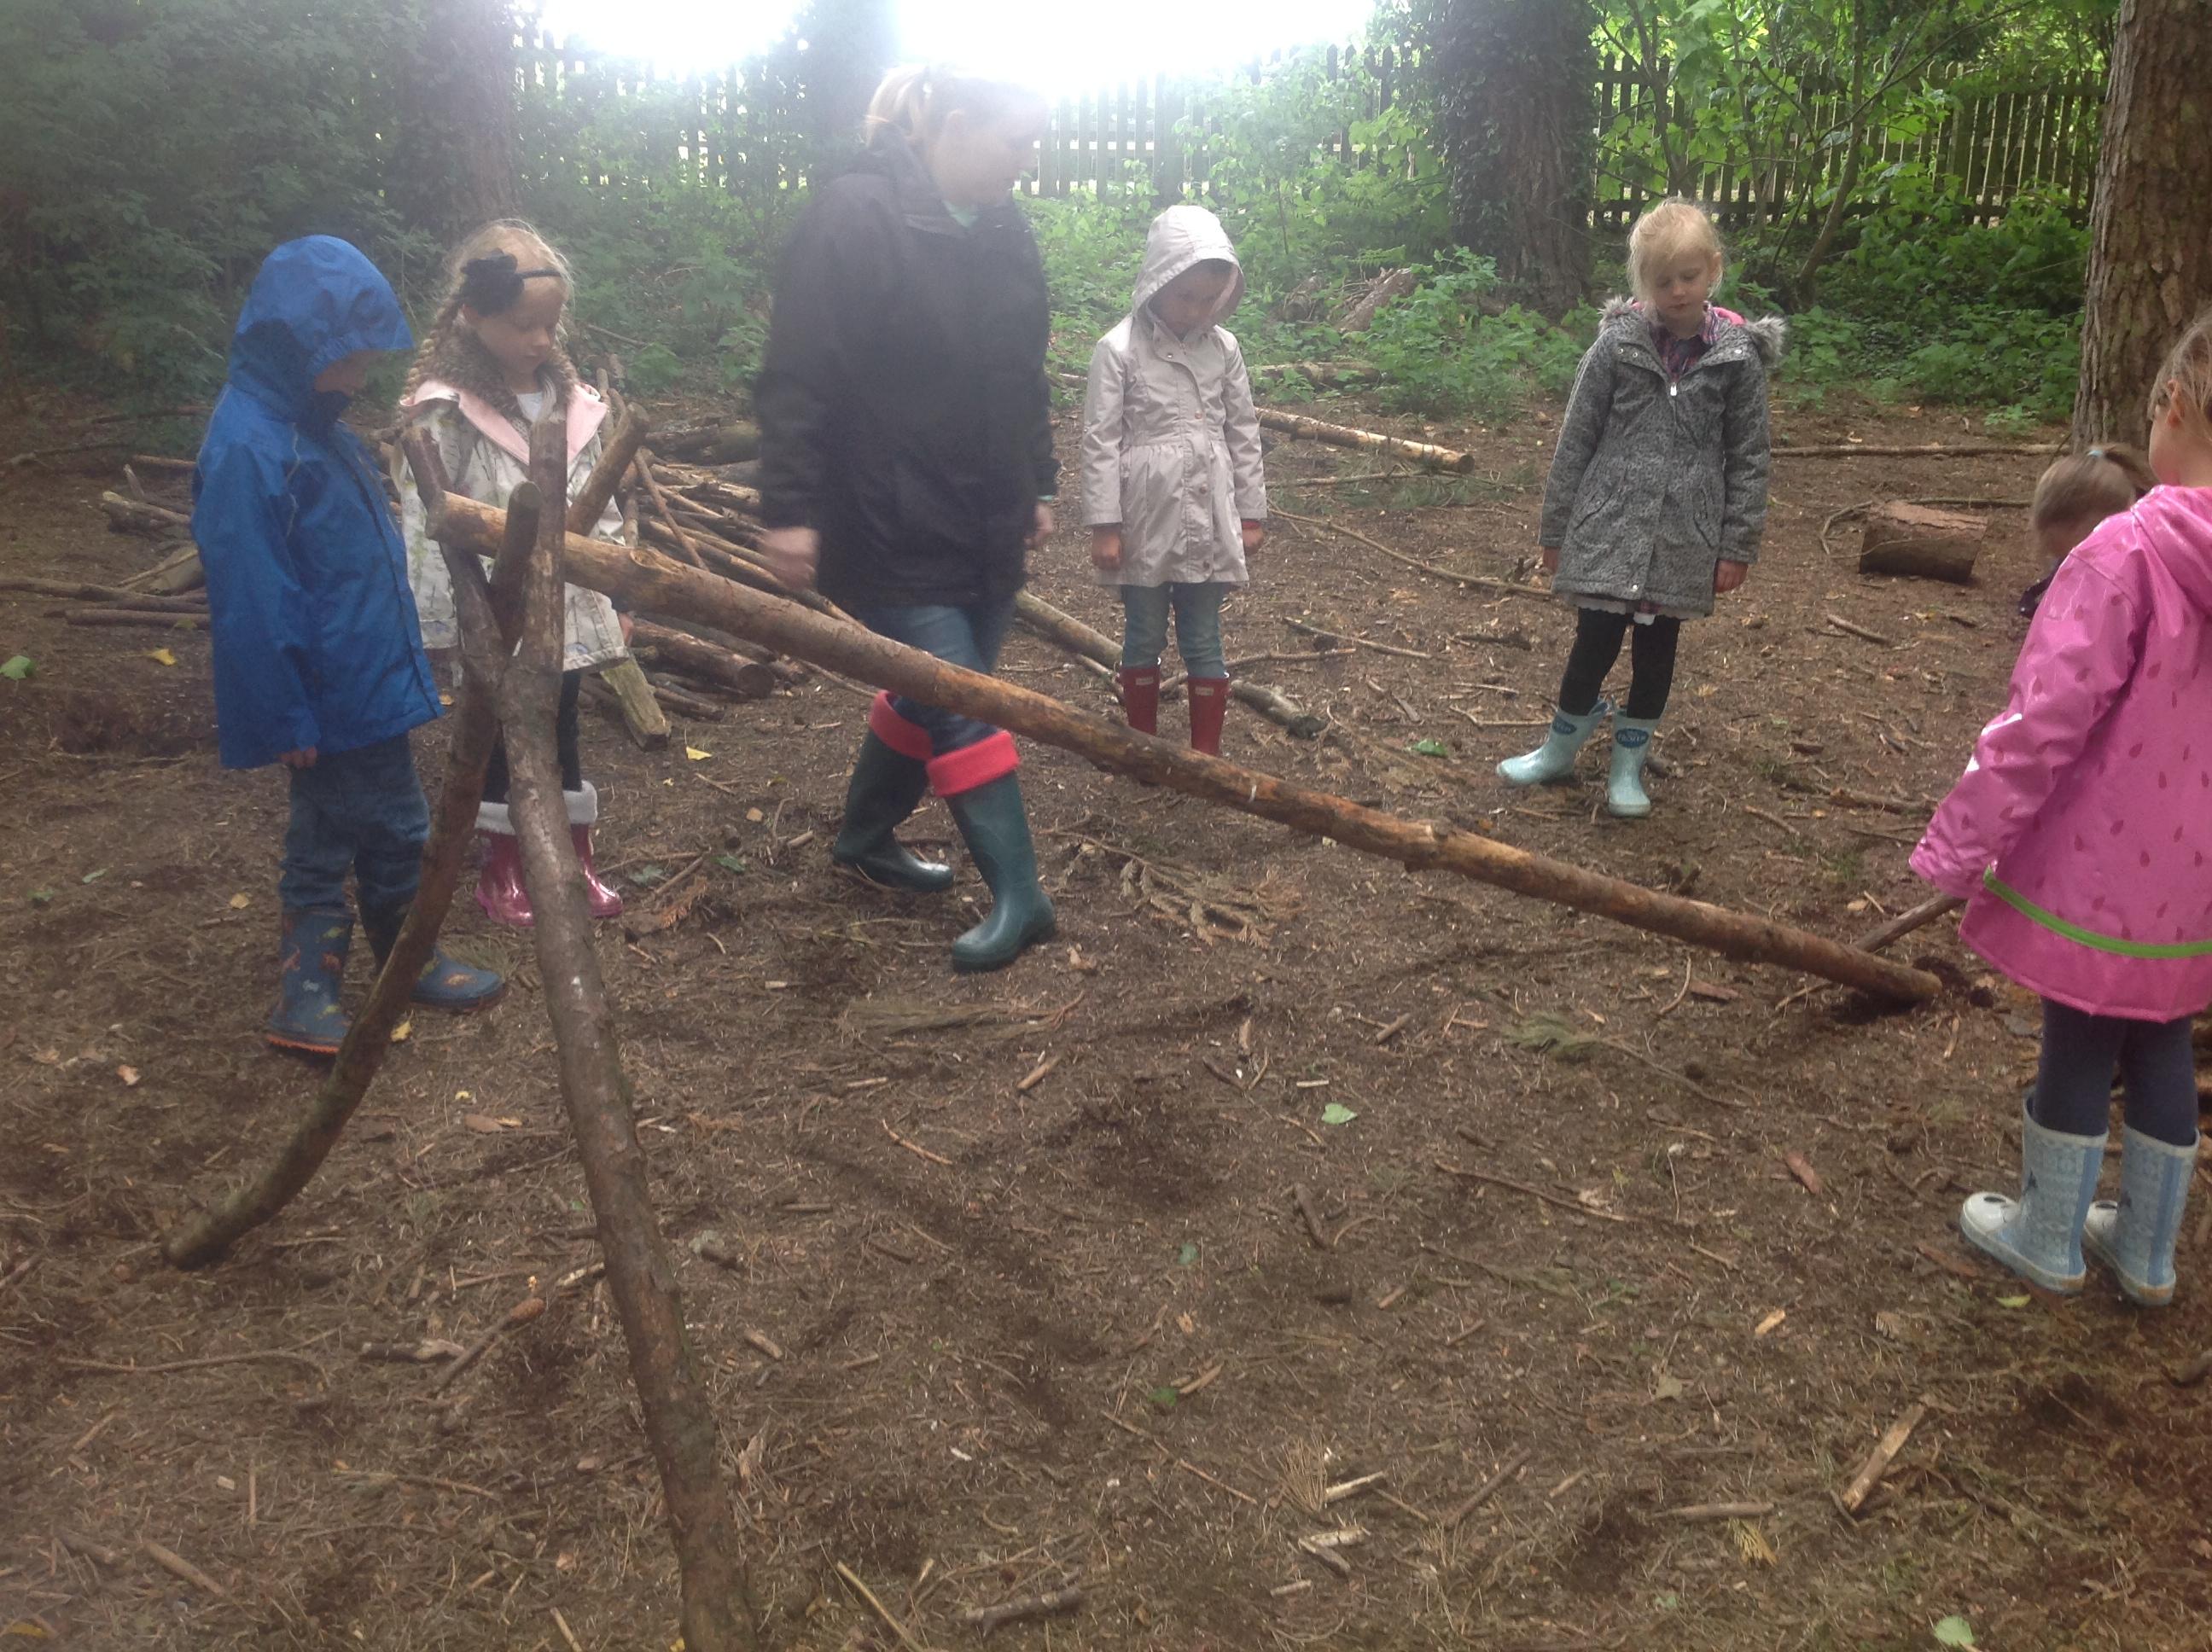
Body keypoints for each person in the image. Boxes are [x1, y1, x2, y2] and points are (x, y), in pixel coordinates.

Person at [1912, 309, 2212, 1306]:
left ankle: (2047, 1236)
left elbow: (2042, 721)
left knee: (2081, 1032)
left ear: (2174, 405)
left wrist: (1960, 843)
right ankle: (2149, 1250)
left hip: (2103, 865)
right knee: (2161, 1030)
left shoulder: (2125, 553)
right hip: (2196, 882)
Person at [755, 64, 1058, 972]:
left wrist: (1038, 483)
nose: (1026, 161)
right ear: (955, 124)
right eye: (1016, 141)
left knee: (935, 688)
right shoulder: (855, 216)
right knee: (961, 698)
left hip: (987, 513)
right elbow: (799, 371)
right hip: (888, 514)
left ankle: (864, 837)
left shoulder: (1004, 228)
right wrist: (790, 508)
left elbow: (1023, 373)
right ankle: (1022, 895)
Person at [193, 237, 504, 1055]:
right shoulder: (252, 448)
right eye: (352, 360)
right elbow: (252, 600)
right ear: (302, 348)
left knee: (366, 824)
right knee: (368, 829)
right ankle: (328, 986)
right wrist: (286, 712)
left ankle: (389, 964)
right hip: (326, 693)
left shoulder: (312, 427)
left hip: (361, 677)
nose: (360, 378)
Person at [1498, 199, 1784, 817]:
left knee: (1657, 654)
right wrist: (1556, 529)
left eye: (1689, 276)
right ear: (1642, 282)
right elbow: (1576, 439)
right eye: (1662, 281)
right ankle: (1558, 750)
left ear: (1713, 270)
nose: (1677, 291)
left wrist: (1736, 544)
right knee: (1592, 644)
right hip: (1609, 525)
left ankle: (1628, 767)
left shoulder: (1736, 360)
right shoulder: (1617, 346)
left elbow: (1749, 456)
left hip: (1683, 536)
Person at [397, 219, 629, 927]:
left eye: (550, 326)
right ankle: (505, 865)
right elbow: (427, 516)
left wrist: (615, 588)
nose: (541, 341)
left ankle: (573, 857)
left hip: (568, 600)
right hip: (495, 605)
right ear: (474, 315)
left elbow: (599, 500)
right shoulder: (447, 409)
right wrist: (443, 613)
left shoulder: (572, 403)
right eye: (525, 326)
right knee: (501, 728)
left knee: (562, 723)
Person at [1081, 205, 1266, 754]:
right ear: (1157, 281)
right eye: (1185, 296)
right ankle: (1142, 746)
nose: (1196, 310)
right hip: (1145, 515)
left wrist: (1251, 512)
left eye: (1208, 299)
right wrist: (1105, 525)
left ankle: (1205, 756)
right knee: (1143, 631)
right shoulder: (1118, 349)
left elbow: (1243, 431)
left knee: (1204, 634)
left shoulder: (1223, 348)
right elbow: (1100, 440)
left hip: (1209, 512)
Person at [2017, 443, 2157, 618]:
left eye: (2086, 562)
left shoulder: (2153, 583)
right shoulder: (2066, 574)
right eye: (2064, 559)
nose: (2074, 571)